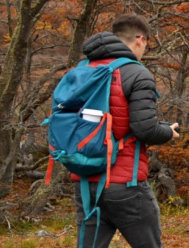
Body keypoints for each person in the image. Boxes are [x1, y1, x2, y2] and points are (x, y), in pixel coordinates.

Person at [73, 13, 180, 248]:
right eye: (147, 45)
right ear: (139, 39)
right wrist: (167, 132)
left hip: (86, 182)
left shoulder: (83, 71)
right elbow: (144, 129)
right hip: (125, 185)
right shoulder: (136, 72)